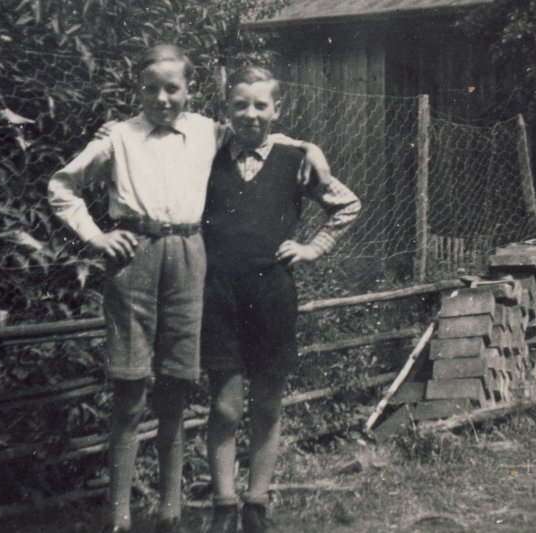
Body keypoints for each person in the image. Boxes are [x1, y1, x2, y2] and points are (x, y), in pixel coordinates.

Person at [48, 45, 331, 533]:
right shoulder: (119, 136)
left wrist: (310, 148)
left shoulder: (206, 130)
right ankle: (119, 516)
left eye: (172, 88)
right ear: (137, 90)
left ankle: (170, 512)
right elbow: (62, 186)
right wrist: (96, 237)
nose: (162, 98)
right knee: (130, 388)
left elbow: (258, 133)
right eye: (151, 88)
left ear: (189, 90)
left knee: (176, 387)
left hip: (189, 256)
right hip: (134, 255)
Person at [201, 66, 361, 533]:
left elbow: (348, 205)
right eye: (240, 105)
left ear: (277, 109)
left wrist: (312, 248)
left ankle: (256, 504)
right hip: (219, 295)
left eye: (260, 105)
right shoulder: (208, 154)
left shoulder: (295, 160)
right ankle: (223, 506)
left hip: (272, 295)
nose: (250, 114)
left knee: (268, 405)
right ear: (227, 109)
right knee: (225, 408)